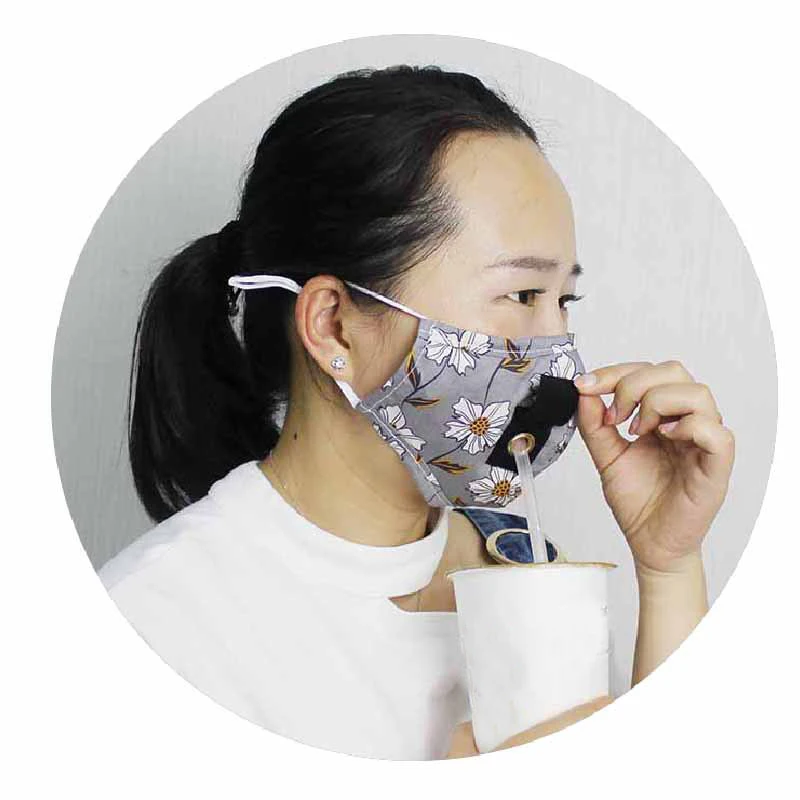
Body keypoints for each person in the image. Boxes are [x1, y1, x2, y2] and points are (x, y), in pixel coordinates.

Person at [98, 65, 735, 760]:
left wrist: (670, 569)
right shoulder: (155, 629)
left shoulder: (524, 567)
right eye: (522, 295)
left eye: (564, 301)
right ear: (334, 327)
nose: (557, 350)